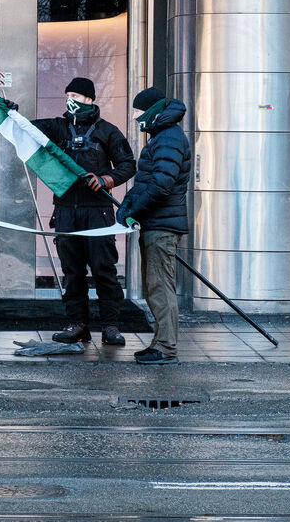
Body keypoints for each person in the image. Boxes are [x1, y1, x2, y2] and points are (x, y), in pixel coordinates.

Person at [33, 77, 136, 346]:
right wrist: (10, 111)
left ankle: (110, 326)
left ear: (90, 99)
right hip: (66, 212)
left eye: (76, 97)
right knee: (72, 272)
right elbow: (25, 129)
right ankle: (77, 325)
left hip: (98, 213)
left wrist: (106, 179)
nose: (71, 101)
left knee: (104, 270)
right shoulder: (57, 127)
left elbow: (128, 165)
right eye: (68, 96)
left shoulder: (108, 131)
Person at [116, 87, 191, 365]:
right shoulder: (163, 136)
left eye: (138, 112)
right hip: (156, 223)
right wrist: (128, 206)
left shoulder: (169, 138)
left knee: (160, 287)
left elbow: (161, 184)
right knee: (154, 287)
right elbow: (147, 182)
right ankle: (159, 343)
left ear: (152, 111)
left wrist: (133, 208)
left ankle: (166, 348)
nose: (135, 117)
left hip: (161, 226)